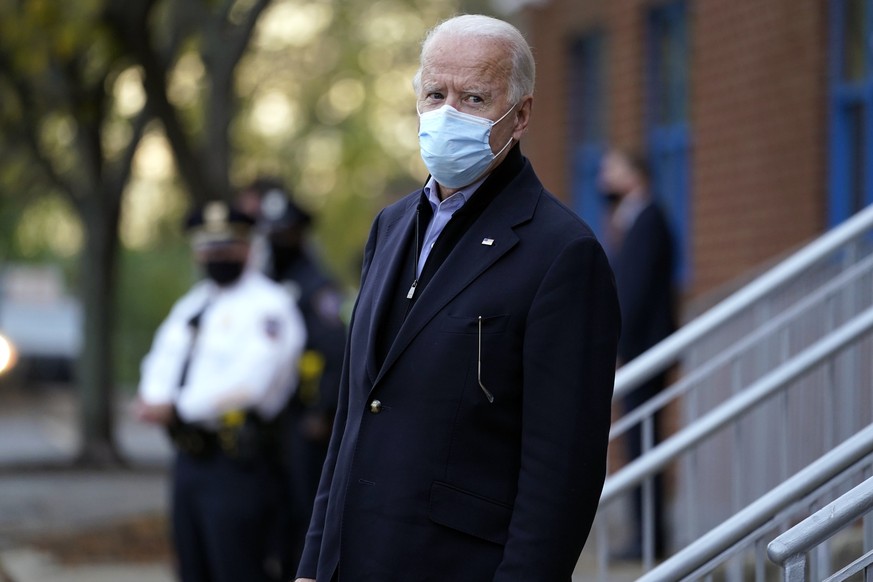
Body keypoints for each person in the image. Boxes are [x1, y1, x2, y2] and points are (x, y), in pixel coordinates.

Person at [295, 14, 621, 582]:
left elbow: (561, 470)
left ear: (520, 115)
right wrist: (312, 564)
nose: (448, 114)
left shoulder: (561, 253)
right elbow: (354, 413)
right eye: (435, 93)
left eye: (473, 97)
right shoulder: (390, 227)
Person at [135, 201, 307, 582]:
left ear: (248, 247)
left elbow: (251, 383)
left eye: (227, 245)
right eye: (208, 247)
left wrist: (176, 407)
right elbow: (161, 359)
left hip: (238, 463)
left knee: (238, 569)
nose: (217, 255)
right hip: (188, 460)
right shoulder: (193, 304)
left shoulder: (270, 307)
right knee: (192, 567)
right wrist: (153, 396)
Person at [238, 179, 348, 579]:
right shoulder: (266, 283)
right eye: (270, 233)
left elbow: (337, 350)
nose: (276, 241)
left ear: (299, 234)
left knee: (304, 511)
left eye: (282, 233)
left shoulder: (317, 286)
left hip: (306, 422)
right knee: (275, 512)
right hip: (276, 420)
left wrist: (323, 409)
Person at [598, 148, 678, 560]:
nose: (604, 180)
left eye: (612, 170)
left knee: (643, 443)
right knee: (636, 443)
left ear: (635, 175)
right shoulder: (630, 218)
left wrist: (620, 348)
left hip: (644, 350)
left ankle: (649, 539)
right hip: (635, 349)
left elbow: (636, 294)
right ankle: (644, 535)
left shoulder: (649, 219)